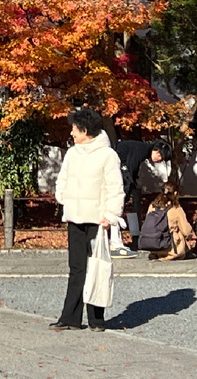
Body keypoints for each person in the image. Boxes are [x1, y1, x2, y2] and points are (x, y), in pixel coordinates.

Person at [52, 107, 123, 332]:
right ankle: (70, 317)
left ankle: (96, 319)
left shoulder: (107, 155)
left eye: (74, 128)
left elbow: (115, 187)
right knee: (76, 268)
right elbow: (62, 179)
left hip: (97, 220)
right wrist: (63, 196)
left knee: (96, 269)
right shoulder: (73, 154)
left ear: (85, 130)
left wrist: (111, 215)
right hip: (75, 217)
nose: (72, 133)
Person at [110, 137, 168, 257]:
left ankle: (112, 242)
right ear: (157, 151)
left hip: (114, 176)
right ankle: (115, 243)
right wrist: (126, 191)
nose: (159, 160)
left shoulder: (140, 149)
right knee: (114, 211)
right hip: (115, 183)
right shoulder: (140, 150)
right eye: (161, 157)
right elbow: (129, 170)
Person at [139, 183, 195, 260]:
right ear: (175, 193)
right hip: (171, 249)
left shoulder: (152, 206)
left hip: (154, 245)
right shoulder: (176, 209)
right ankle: (173, 253)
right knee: (181, 232)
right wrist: (191, 235)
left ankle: (156, 254)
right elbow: (186, 231)